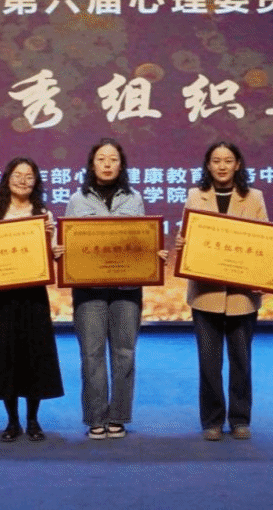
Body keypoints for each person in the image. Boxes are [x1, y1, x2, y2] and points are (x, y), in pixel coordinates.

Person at [64, 137, 166, 440]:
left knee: (125, 353)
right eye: (101, 159)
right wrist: (61, 251)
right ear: (92, 164)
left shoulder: (134, 199)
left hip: (126, 288)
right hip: (88, 289)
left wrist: (153, 254)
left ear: (121, 165)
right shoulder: (77, 200)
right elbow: (71, 242)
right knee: (91, 354)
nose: (107, 164)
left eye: (113, 159)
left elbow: (141, 240)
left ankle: (119, 417)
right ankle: (96, 417)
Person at [177, 141, 268, 441]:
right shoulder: (195, 195)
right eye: (216, 161)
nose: (222, 166)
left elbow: (266, 242)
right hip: (206, 294)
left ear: (238, 164)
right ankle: (212, 421)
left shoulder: (254, 197)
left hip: (242, 295)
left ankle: (240, 419)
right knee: (209, 362)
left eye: (228, 160)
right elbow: (186, 237)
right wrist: (182, 245)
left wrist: (263, 276)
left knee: (241, 360)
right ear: (208, 165)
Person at [0, 157, 65, 443]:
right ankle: (12, 421)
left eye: (29, 176)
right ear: (7, 179)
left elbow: (51, 256)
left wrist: (56, 250)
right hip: (3, 299)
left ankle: (33, 420)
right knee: (6, 357)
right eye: (17, 175)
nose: (23, 181)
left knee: (34, 356)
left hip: (33, 296)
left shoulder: (44, 215)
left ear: (36, 182)